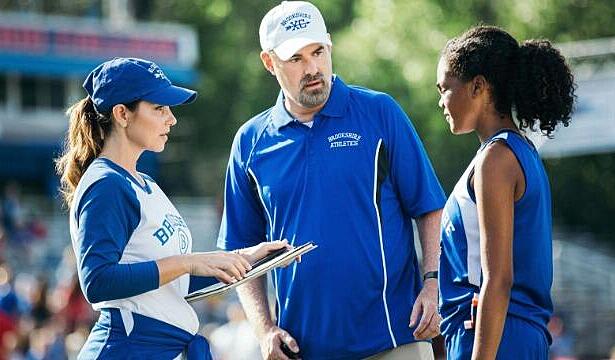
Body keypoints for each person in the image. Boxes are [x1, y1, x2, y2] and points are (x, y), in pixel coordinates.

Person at [217, 2, 446, 359]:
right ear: (269, 62)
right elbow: (240, 251)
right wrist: (264, 330)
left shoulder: (380, 113)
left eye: (318, 52)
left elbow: (429, 207)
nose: (312, 69)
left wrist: (432, 285)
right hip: (303, 349)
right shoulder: (250, 142)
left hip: (395, 337)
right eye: (296, 59)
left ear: (329, 47)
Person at [55, 57, 290, 359]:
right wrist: (187, 262)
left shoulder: (145, 183)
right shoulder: (106, 183)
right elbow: (97, 281)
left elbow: (169, 282)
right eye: (159, 108)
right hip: (127, 348)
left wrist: (242, 259)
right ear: (122, 114)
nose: (172, 119)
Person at [436, 26, 575, 359]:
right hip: (514, 335)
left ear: (479, 86)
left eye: (445, 88)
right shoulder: (519, 151)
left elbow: (498, 279)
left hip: (495, 337)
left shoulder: (495, 160)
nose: (441, 101)